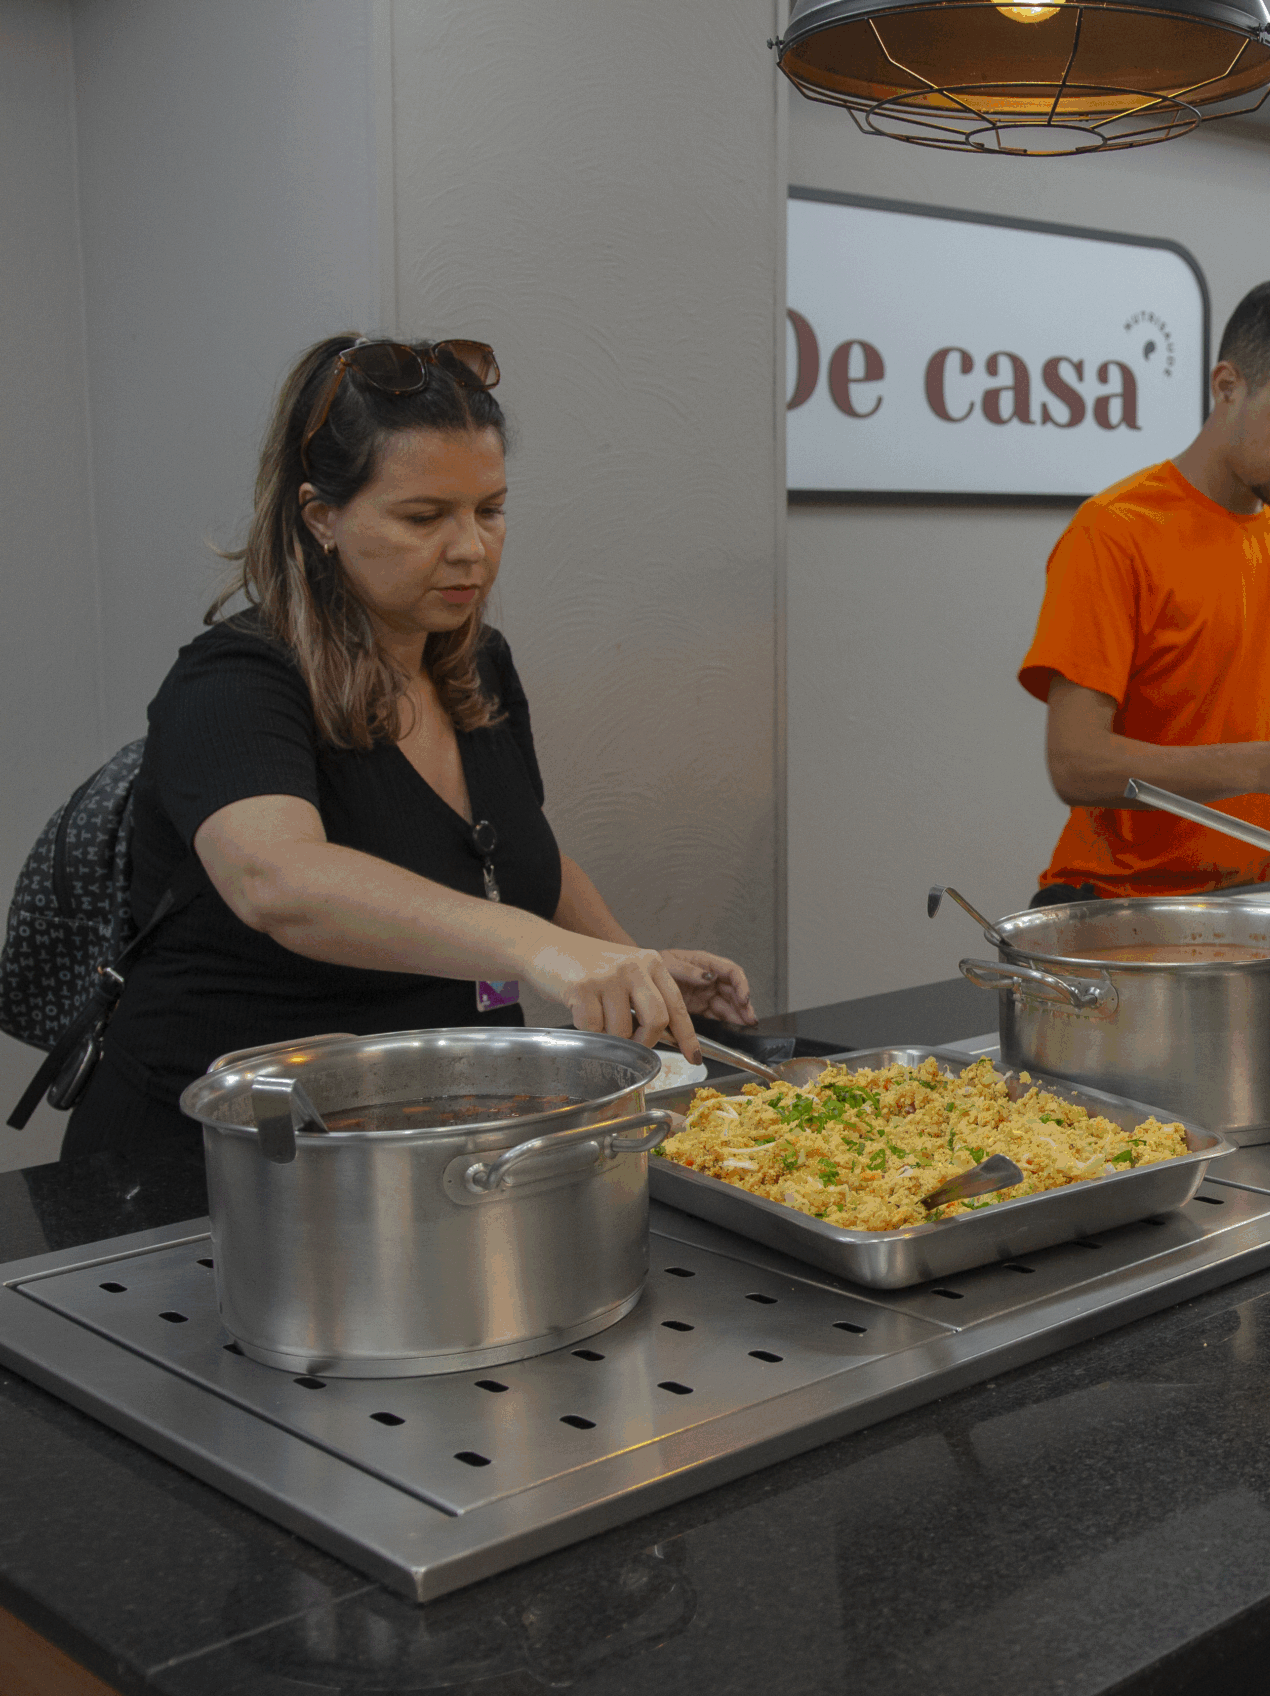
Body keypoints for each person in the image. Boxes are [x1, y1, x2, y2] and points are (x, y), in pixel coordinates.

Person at [64, 334, 754, 1164]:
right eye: (424, 517)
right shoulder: (232, 681)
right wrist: (544, 950)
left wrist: (627, 965)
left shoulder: (478, 662)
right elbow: (278, 881)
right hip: (222, 1164)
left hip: (430, 1145)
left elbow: (519, 853)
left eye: (489, 510)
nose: (470, 548)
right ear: (321, 516)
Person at [1016, 272, 1270, 905]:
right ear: (1227, 386)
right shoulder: (1114, 532)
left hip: (1258, 905)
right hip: (1123, 908)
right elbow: (1076, 764)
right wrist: (1265, 766)